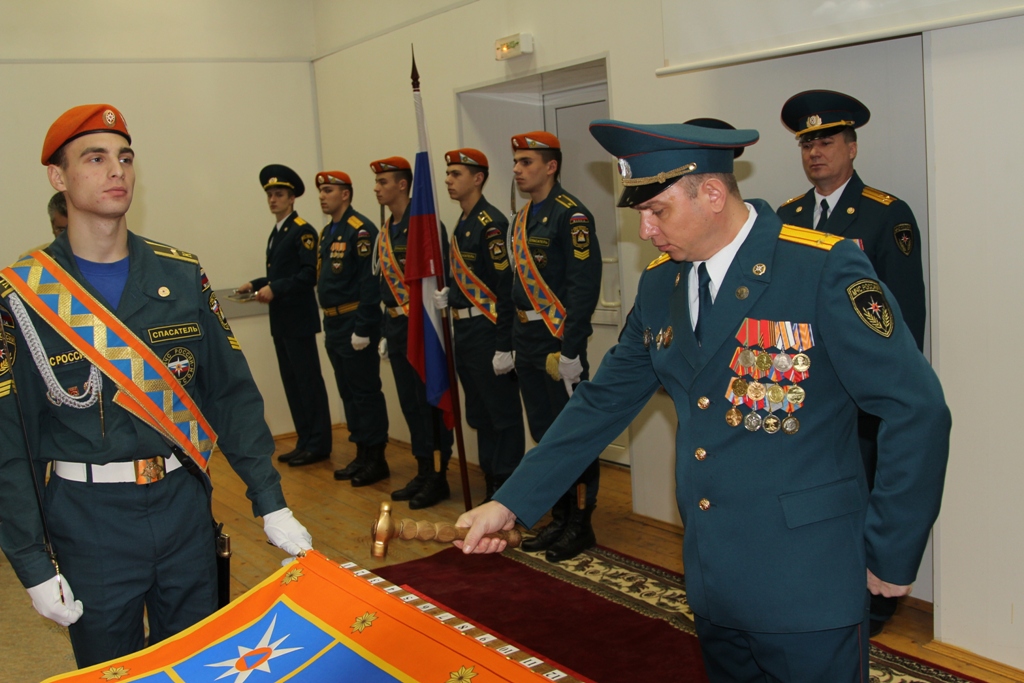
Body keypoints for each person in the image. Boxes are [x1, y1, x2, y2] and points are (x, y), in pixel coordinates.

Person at [457, 118, 950, 682]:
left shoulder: (820, 267)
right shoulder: (662, 283)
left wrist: (892, 548)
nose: (645, 232)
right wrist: (512, 502)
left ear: (712, 194)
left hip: (807, 581)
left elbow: (918, 409)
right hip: (714, 577)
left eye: (657, 211)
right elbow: (602, 403)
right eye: (639, 213)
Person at [0, 104, 313, 668]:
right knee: (111, 671)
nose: (116, 171)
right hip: (88, 518)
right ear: (57, 177)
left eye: (124, 158)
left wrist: (268, 501)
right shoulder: (22, 298)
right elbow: (7, 443)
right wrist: (30, 560)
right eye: (94, 159)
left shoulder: (180, 274)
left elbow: (231, 394)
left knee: (196, 664)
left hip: (182, 507)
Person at [776, 90, 929, 635]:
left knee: (863, 488)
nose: (816, 151)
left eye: (827, 140)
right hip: (805, 388)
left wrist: (885, 389)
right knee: (815, 495)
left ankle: (874, 598)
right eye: (807, 142)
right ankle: (820, 584)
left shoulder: (887, 215)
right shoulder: (788, 217)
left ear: (853, 146)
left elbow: (905, 313)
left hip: (860, 391)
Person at [508, 131, 602, 562]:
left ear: (551, 166)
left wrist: (571, 349)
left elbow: (584, 288)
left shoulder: (571, 215)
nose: (517, 169)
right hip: (527, 339)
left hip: (557, 342)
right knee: (545, 435)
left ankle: (581, 523)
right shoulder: (523, 218)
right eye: (515, 162)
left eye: (526, 162)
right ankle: (560, 517)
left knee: (573, 437)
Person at [434, 148, 525, 503]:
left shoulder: (491, 224)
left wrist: (506, 344)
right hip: (467, 333)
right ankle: (491, 478)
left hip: (489, 333)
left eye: (456, 174)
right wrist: (452, 295)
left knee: (501, 414)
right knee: (480, 413)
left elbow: (505, 289)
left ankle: (507, 486)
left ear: (478, 178)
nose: (448, 180)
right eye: (448, 174)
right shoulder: (464, 222)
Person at [237, 164, 333, 467]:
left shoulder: (302, 230)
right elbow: (280, 272)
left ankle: (318, 443)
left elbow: (308, 275)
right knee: (292, 383)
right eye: (270, 195)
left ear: (292, 199)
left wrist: (274, 288)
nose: (272, 200)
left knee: (308, 383)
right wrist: (256, 284)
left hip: (298, 320)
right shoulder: (278, 232)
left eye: (279, 194)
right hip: (282, 320)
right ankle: (305, 440)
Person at [372, 156, 453, 507]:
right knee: (410, 405)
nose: (377, 188)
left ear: (403, 185)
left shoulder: (425, 226)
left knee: (429, 402)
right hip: (397, 326)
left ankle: (438, 475)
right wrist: (384, 331)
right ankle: (423, 470)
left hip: (424, 327)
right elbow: (381, 284)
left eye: (384, 181)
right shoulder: (386, 230)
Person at [312, 170, 390, 484]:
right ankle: (361, 453)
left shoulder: (360, 231)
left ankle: (376, 458)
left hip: (355, 322)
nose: (322, 196)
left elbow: (369, 282)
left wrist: (364, 327)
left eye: (328, 190)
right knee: (348, 392)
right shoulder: (327, 232)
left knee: (365, 392)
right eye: (320, 191)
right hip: (333, 322)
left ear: (345, 194)